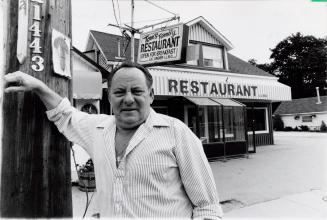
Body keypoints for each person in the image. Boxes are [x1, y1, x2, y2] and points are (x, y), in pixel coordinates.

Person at [4, 62, 223, 219]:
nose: (128, 99)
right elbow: (65, 115)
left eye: (137, 91)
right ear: (109, 97)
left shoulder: (176, 132)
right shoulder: (98, 129)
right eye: (119, 92)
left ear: (151, 95)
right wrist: (38, 86)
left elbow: (208, 208)